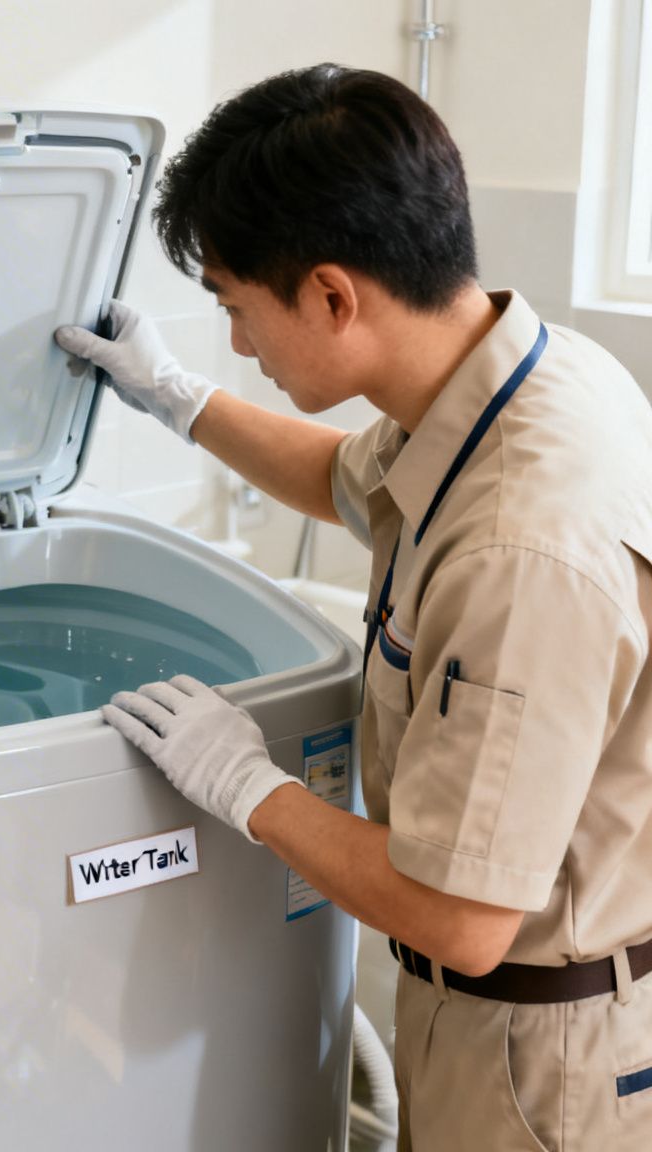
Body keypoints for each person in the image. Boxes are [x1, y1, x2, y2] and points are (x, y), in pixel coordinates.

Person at [56, 64, 652, 1150]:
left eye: (237, 311)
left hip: (543, 1070)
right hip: (512, 1021)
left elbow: (462, 921)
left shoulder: (521, 548)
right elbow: (344, 475)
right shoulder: (518, 378)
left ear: (332, 295)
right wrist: (173, 400)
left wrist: (249, 790)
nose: (236, 344)